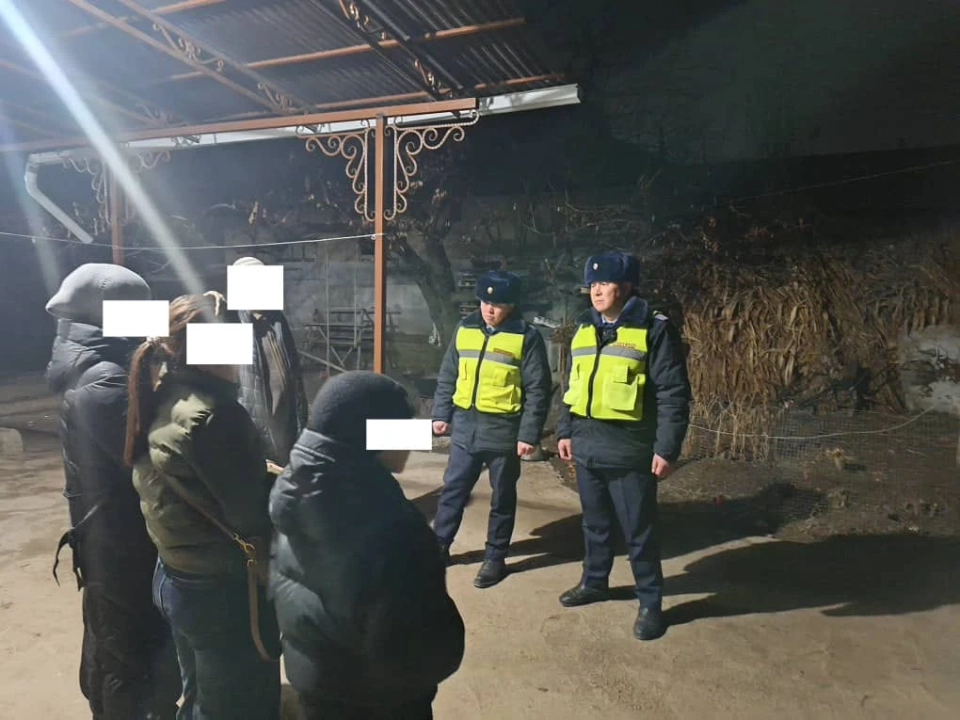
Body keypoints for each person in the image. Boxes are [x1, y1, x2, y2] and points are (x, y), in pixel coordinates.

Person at [270, 371, 465, 720]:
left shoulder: (298, 490)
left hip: (318, 687)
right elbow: (422, 653)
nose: (410, 442)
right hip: (381, 703)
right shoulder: (395, 532)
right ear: (370, 436)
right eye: (403, 429)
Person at [125, 294, 281, 720]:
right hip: (220, 587)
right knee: (235, 704)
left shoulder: (166, 392)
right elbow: (250, 514)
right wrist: (281, 485)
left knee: (199, 692)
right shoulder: (213, 415)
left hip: (175, 571)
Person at [45, 263, 181, 720]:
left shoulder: (98, 366)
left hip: (109, 531)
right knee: (128, 649)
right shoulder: (104, 379)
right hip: (120, 537)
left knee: (112, 639)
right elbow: (153, 455)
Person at [556, 251, 692, 641]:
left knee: (638, 531)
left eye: (605, 283)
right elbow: (572, 385)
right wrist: (565, 431)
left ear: (627, 286)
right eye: (592, 284)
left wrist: (666, 448)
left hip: (630, 451)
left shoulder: (654, 329)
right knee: (594, 524)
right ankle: (594, 582)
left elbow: (672, 393)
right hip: (587, 447)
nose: (596, 291)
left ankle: (650, 602)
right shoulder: (584, 328)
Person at [431, 270, 552, 588]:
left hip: (503, 433)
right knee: (453, 491)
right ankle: (438, 547)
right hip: (465, 429)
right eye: (484, 302)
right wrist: (441, 413)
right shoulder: (465, 329)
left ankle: (495, 559)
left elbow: (538, 390)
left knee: (502, 498)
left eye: (496, 304)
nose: (489, 309)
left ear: (511, 305)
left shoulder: (526, 337)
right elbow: (448, 374)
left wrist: (528, 434)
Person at [232, 256, 308, 465]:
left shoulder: (277, 321)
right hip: (255, 432)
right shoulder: (233, 323)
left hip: (287, 425)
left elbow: (293, 373)